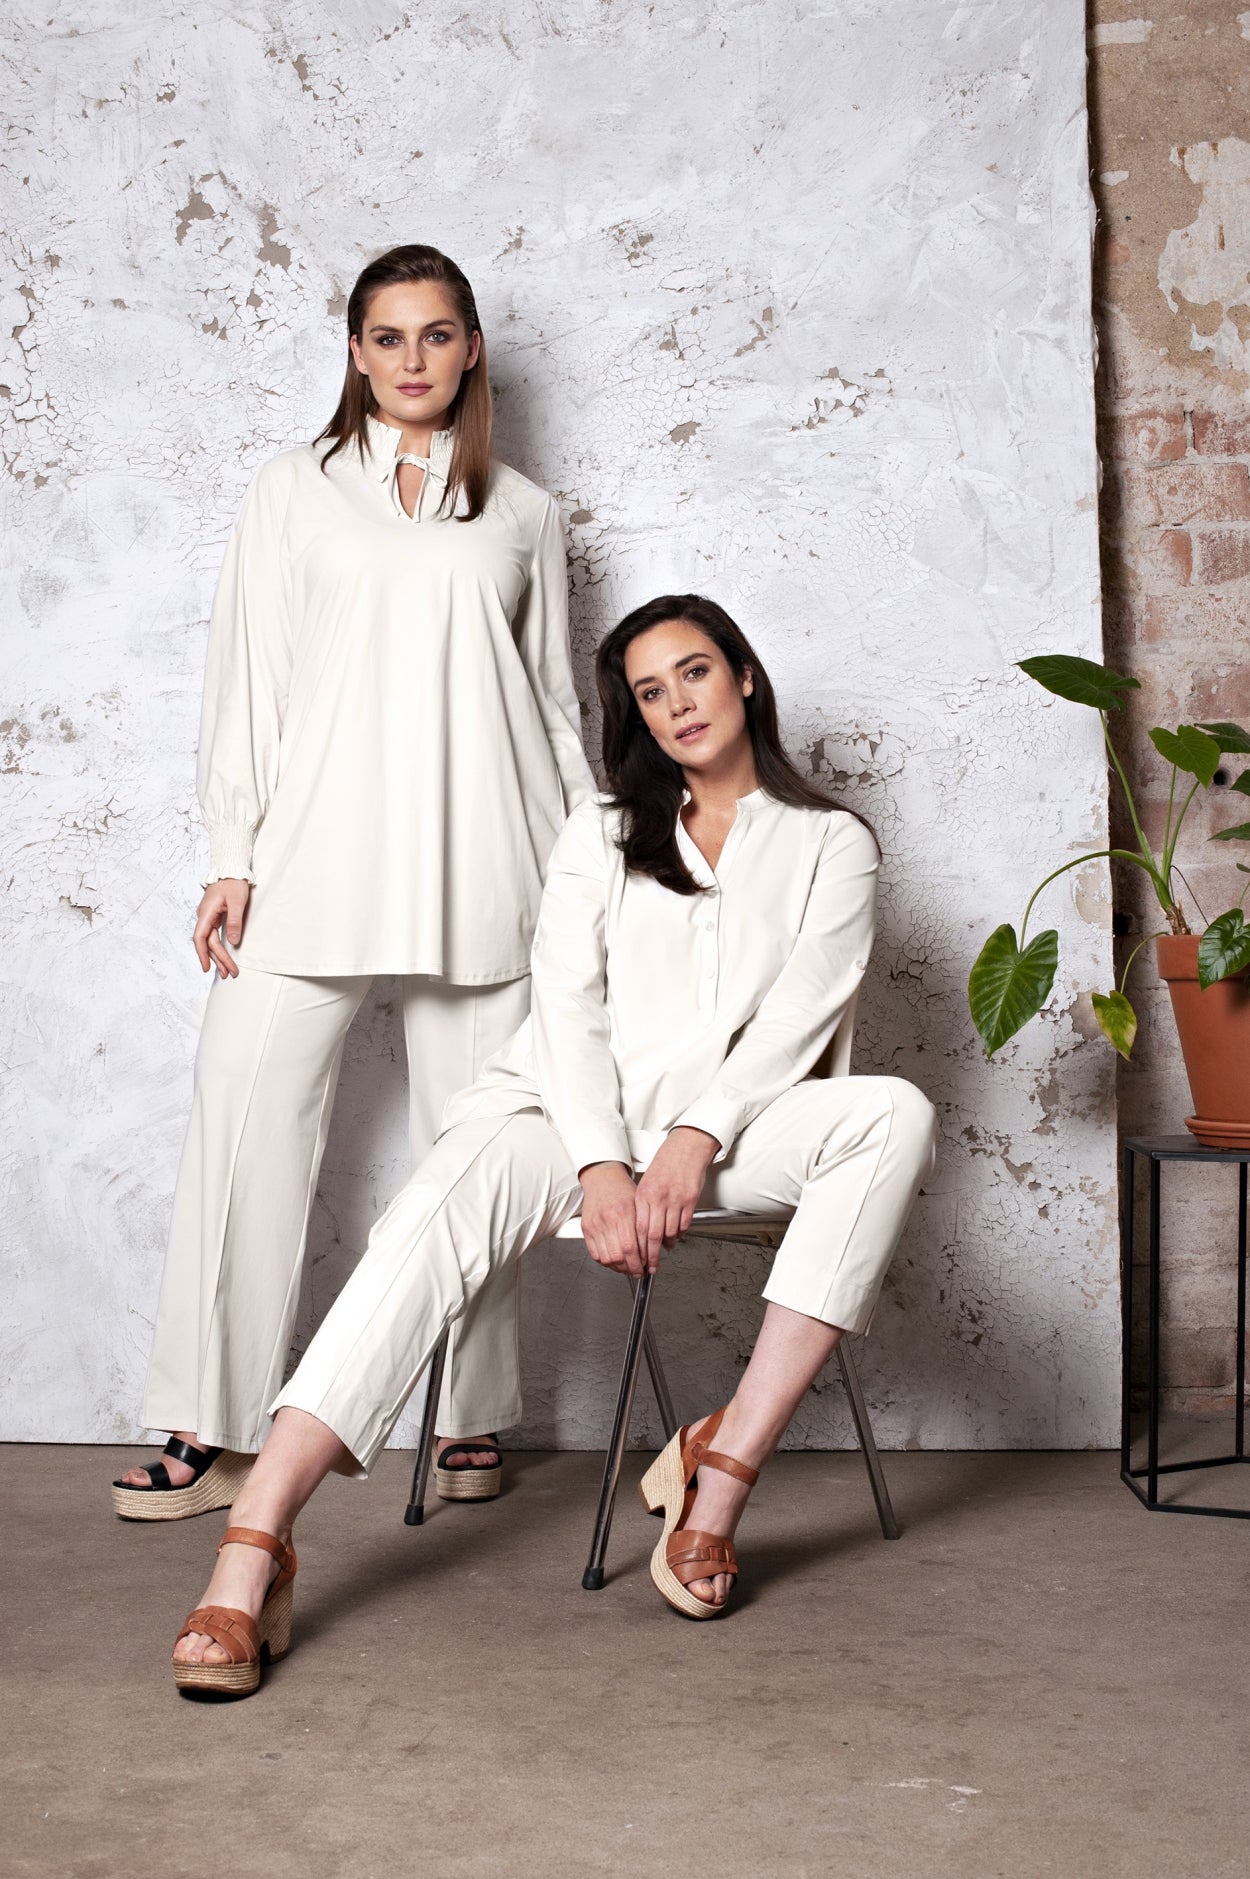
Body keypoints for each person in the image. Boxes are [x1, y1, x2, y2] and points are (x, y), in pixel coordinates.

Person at [169, 594, 937, 1693]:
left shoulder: (832, 842)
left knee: (894, 1112)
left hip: (732, 1133)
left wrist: (691, 1139)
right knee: (430, 1212)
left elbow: (797, 1020)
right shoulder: (602, 832)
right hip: (559, 1118)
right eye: (650, 691)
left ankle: (718, 1476)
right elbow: (566, 1006)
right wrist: (601, 1161)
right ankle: (256, 1540)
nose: (677, 704)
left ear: (743, 676)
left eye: (695, 672)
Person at [113, 244, 592, 1522]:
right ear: (355, 352)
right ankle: (208, 1418)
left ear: (471, 348)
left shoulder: (526, 514)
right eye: (388, 336)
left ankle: (470, 1411)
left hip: (488, 853)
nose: (412, 359)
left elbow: (554, 710)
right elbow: (248, 683)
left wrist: (586, 871)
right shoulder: (293, 492)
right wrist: (233, 854)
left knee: (477, 1148)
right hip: (314, 852)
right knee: (243, 1120)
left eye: (436, 334)